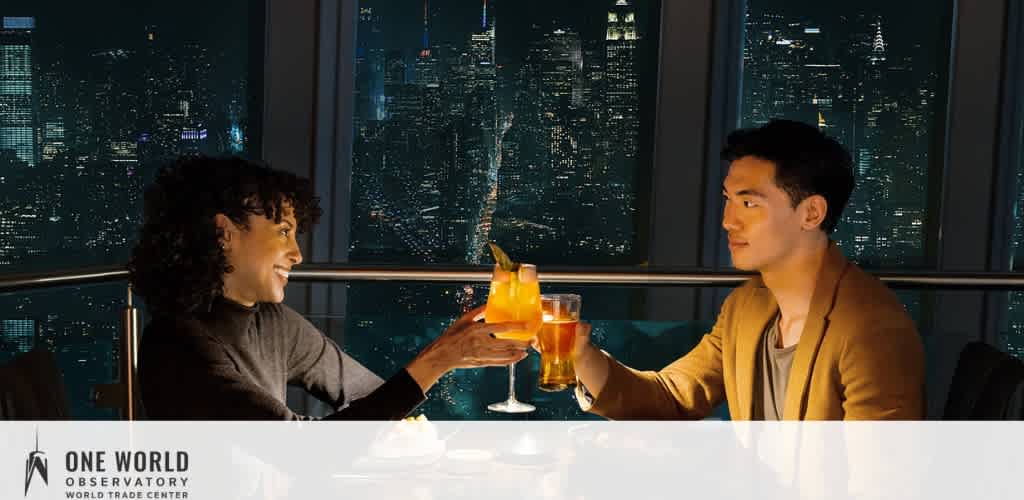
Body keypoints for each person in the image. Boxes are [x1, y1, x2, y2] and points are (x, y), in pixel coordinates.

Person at [571, 119, 926, 420]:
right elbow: (674, 395)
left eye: (749, 203)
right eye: (728, 199)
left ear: (811, 213)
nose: (729, 221)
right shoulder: (746, 307)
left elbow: (880, 473)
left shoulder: (871, 327)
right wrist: (580, 355)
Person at [131, 156, 529, 419]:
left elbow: (370, 395)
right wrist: (436, 361)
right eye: (283, 231)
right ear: (224, 234)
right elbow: (303, 451)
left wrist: (445, 358)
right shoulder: (178, 345)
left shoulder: (273, 323)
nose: (296, 254)